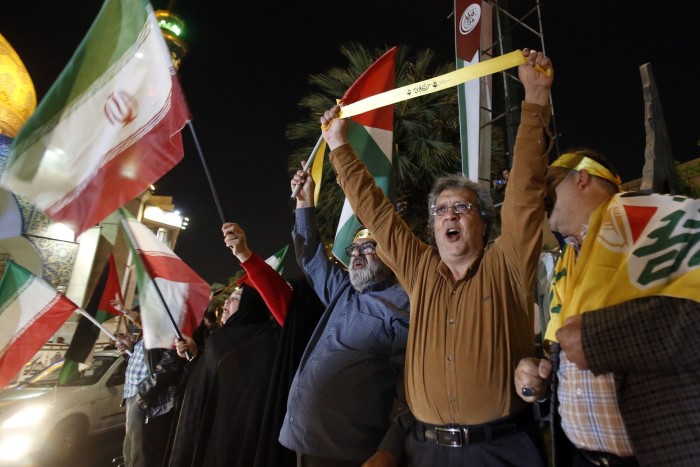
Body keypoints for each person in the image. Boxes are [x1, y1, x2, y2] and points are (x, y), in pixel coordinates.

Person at [314, 48, 553, 466]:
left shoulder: (508, 264)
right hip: (426, 452)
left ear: (483, 222)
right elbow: (376, 212)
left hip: (501, 451)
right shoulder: (419, 269)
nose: (450, 215)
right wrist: (338, 144)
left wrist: (534, 101)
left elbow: (525, 195)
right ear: (432, 226)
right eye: (441, 210)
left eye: (462, 208)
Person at [514, 148, 700, 466]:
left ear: (582, 178)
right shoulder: (568, 260)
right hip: (581, 457)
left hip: (662, 453)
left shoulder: (660, 216)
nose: (539, 196)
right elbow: (568, 348)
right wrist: (543, 380)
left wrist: (599, 338)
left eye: (549, 183)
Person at [283, 171, 411, 467]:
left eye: (369, 247)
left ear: (391, 255)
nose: (357, 253)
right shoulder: (343, 290)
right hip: (303, 443)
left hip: (352, 455)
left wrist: (390, 450)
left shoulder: (402, 305)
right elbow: (310, 256)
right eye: (355, 248)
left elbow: (412, 387)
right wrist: (304, 203)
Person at [166, 222, 295, 467]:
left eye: (235, 299)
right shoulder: (222, 339)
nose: (225, 304)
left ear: (250, 305)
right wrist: (196, 357)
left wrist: (244, 255)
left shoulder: (267, 342)